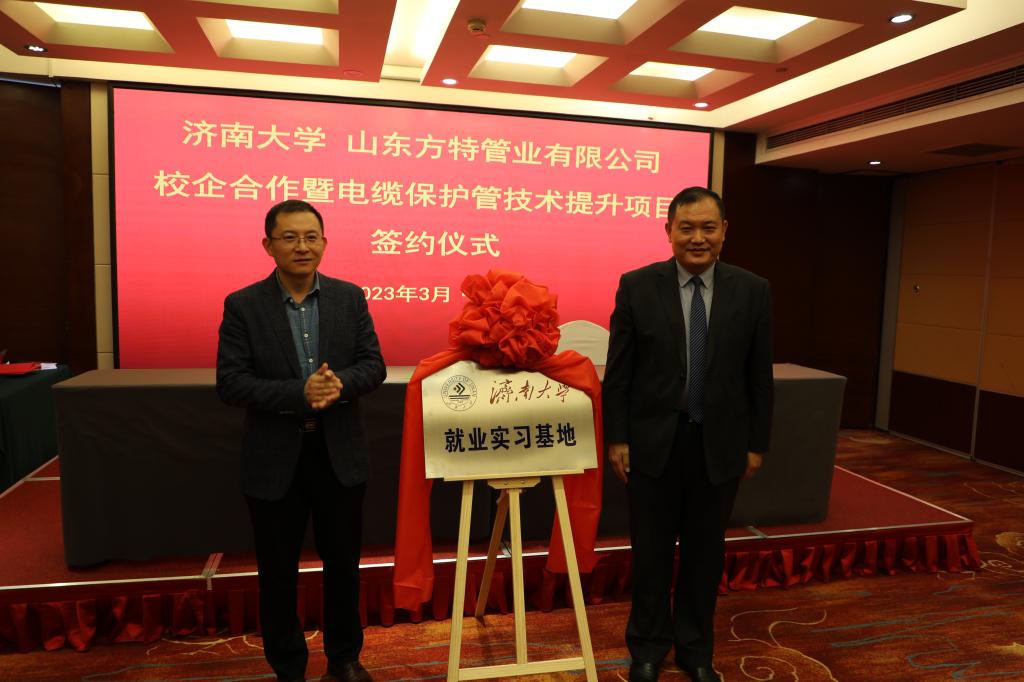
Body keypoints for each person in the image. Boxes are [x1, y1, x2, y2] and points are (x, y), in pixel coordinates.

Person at [602, 187, 773, 682]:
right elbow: (619, 373)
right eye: (687, 228)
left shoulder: (753, 289)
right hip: (653, 443)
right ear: (669, 231)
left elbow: (759, 377)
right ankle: (647, 649)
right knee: (650, 553)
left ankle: (696, 651)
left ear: (724, 231)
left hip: (719, 445)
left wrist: (757, 444)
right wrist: (618, 438)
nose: (698, 238)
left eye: (708, 228)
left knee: (704, 555)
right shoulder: (637, 286)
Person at [217, 200, 386, 682]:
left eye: (311, 237)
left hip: (338, 455)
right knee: (278, 571)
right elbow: (231, 383)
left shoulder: (349, 298)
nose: (302, 246)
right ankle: (288, 668)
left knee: (343, 565)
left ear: (324, 243)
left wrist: (341, 385)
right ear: (268, 245)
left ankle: (344, 659)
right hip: (275, 459)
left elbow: (373, 365)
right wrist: (300, 393)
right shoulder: (243, 305)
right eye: (289, 237)